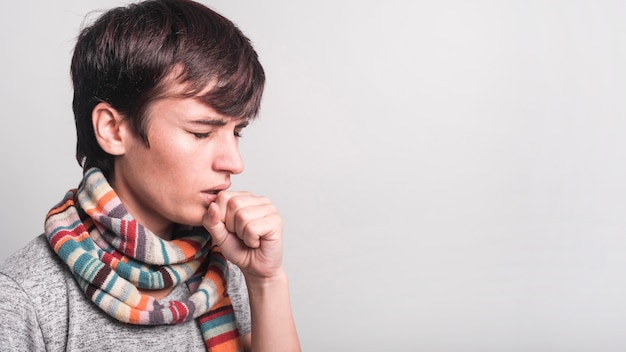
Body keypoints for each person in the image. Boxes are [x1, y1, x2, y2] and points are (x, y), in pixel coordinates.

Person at [0, 0, 300, 351]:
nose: (235, 162)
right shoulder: (25, 299)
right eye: (201, 132)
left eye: (237, 132)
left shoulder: (221, 268)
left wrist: (266, 281)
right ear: (112, 130)